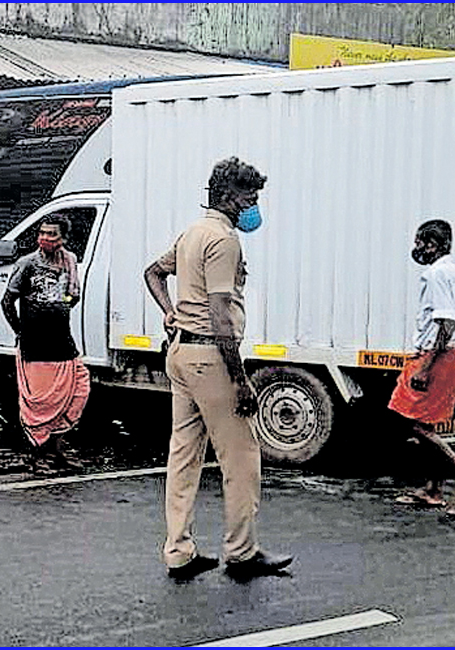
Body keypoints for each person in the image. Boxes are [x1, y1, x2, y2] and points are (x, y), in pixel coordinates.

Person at [144, 157, 293, 580]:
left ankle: (179, 551)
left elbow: (153, 272)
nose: (254, 205)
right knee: (242, 457)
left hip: (180, 355)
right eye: (250, 197)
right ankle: (242, 551)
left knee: (184, 456)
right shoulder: (223, 241)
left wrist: (171, 313)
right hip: (211, 357)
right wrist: (240, 378)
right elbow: (221, 315)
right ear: (229, 196)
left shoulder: (194, 232)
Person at [389, 219, 455, 518]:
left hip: (438, 356)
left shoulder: (435, 275)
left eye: (421, 242)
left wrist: (426, 367)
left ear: (433, 245)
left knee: (417, 425)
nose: (417, 248)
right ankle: (433, 489)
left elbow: (447, 321)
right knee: (425, 423)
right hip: (451, 353)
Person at [1, 213, 91, 471]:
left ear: (63, 238)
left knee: (78, 391)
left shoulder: (70, 261)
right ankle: (37, 457)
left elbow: (74, 295)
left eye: (52, 234)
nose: (45, 239)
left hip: (63, 342)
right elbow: (7, 302)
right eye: (42, 233)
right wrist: (21, 331)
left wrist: (57, 310)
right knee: (40, 404)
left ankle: (58, 450)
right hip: (35, 346)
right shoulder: (26, 264)